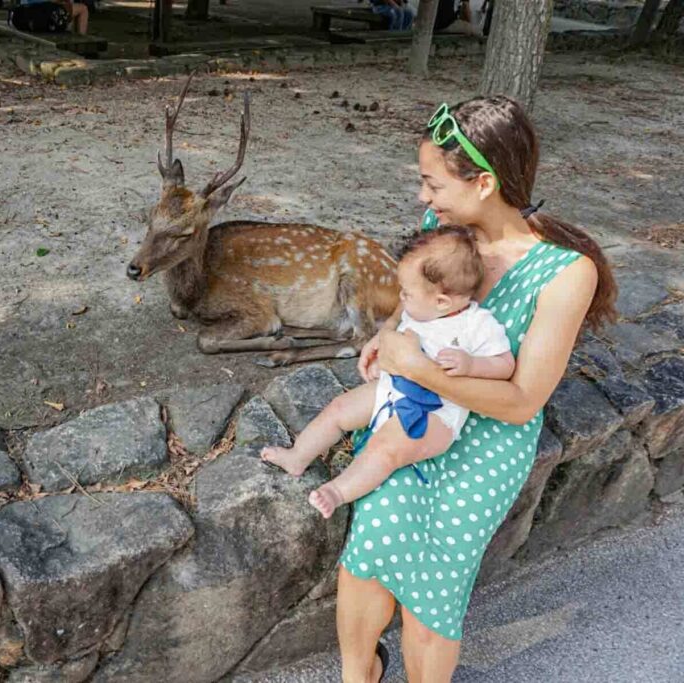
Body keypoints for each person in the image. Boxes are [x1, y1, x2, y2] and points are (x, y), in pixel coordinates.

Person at [327, 96, 615, 683]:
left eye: (431, 184)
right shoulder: (445, 233)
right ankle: (359, 674)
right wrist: (386, 337)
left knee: (432, 593)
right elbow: (413, 303)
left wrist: (419, 365)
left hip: (489, 434)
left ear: (483, 182)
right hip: (416, 414)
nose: (422, 199)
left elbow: (524, 400)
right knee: (370, 551)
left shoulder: (565, 272)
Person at [260, 226, 515, 520]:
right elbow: (399, 338)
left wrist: (471, 365)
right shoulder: (419, 311)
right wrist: (381, 353)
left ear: (442, 302)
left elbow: (504, 364)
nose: (400, 298)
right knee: (339, 408)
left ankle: (338, 491)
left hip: (434, 413)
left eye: (406, 293)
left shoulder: (477, 325)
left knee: (386, 447)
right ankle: (298, 456)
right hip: (392, 388)